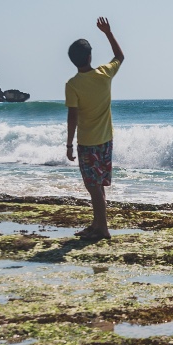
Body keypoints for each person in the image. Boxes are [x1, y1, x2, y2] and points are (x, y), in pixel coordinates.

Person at [63, 17, 124, 241]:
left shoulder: (73, 85)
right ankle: (97, 224)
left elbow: (72, 117)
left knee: (93, 186)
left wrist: (69, 144)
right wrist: (108, 32)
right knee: (97, 186)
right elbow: (120, 56)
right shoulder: (104, 74)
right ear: (90, 57)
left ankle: (103, 229)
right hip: (106, 139)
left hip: (87, 143)